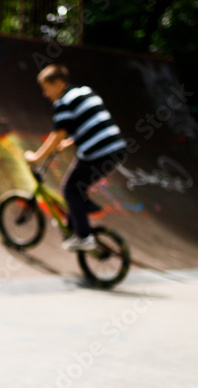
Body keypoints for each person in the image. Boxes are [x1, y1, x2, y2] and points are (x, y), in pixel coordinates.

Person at [24, 64, 127, 251]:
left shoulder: (63, 102)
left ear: (58, 83)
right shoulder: (85, 92)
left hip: (98, 152)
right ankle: (81, 214)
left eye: (46, 89)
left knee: (70, 189)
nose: (45, 94)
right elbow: (91, 122)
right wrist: (70, 143)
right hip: (116, 148)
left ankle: (84, 236)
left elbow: (57, 134)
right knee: (79, 186)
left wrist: (36, 157)